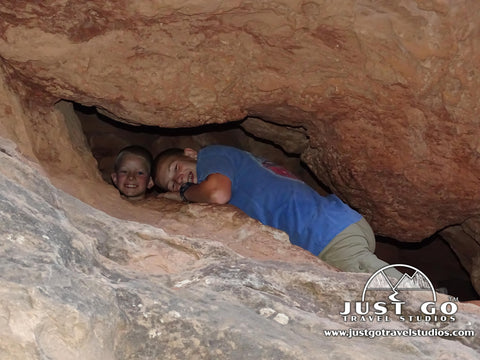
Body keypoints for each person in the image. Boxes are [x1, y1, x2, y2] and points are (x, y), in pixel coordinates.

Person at [153, 144, 402, 278]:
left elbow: (218, 194)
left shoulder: (213, 155)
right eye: (172, 182)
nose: (179, 179)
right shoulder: (237, 166)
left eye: (176, 168)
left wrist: (184, 193)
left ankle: (437, 316)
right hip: (329, 229)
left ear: (190, 153)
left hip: (325, 233)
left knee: (395, 295)